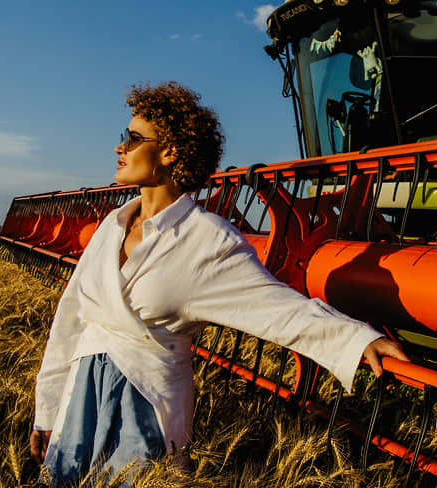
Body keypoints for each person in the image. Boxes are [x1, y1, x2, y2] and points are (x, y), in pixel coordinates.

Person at [29, 81, 409, 485]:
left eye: (132, 138)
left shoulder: (207, 239)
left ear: (170, 151)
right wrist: (48, 411)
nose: (119, 147)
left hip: (146, 404)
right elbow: (70, 319)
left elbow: (274, 307)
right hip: (80, 398)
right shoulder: (112, 225)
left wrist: (354, 338)